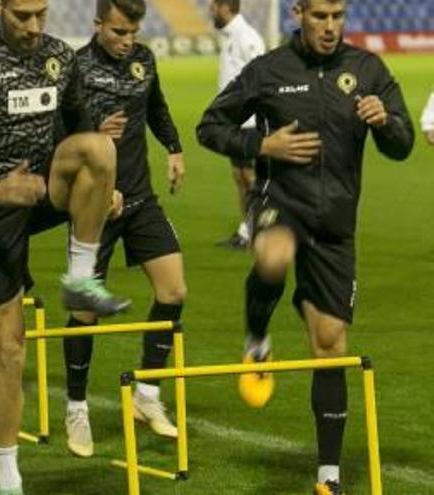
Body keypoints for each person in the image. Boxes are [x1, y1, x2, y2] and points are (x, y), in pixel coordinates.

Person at [196, 0, 414, 493]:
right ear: (298, 12)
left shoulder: (367, 70)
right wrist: (261, 147)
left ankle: (329, 475)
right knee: (273, 255)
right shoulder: (269, 70)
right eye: (320, 16)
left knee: (331, 346)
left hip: (336, 227)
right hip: (281, 205)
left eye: (338, 15)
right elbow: (210, 126)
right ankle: (257, 340)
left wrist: (385, 122)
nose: (331, 26)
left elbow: (402, 145)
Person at [0, 0, 131, 492]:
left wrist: (103, 184)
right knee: (10, 351)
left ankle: (81, 281)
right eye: (22, 15)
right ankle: (7, 472)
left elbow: (81, 127)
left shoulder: (60, 57)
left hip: (41, 191)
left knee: (100, 148)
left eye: (41, 13)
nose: (35, 26)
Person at [63, 0, 187, 458]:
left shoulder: (143, 60)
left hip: (139, 198)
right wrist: (96, 136)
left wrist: (173, 148)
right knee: (85, 311)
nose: (126, 40)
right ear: (97, 25)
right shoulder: (74, 68)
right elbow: (58, 136)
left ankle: (148, 394)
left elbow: (156, 107)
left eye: (133, 31)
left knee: (173, 291)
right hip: (95, 205)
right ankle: (76, 407)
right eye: (118, 31)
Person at [209, 0, 266, 250]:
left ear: (226, 7)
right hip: (233, 121)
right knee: (240, 175)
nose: (211, 10)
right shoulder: (230, 35)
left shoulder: (248, 37)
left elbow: (261, 77)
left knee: (250, 177)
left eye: (214, 6)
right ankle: (247, 230)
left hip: (249, 121)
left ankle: (261, 229)